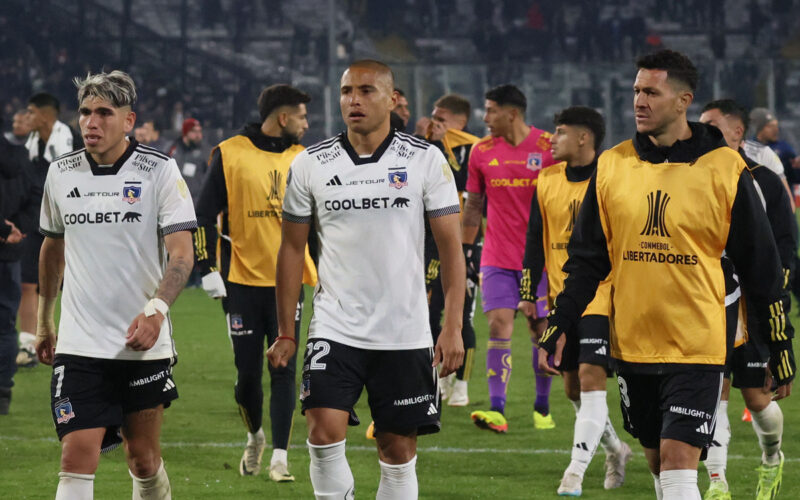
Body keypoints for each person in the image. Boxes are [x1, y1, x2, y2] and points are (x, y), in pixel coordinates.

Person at [538, 50, 794, 500]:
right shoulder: (613, 165)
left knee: (678, 465)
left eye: (651, 92)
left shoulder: (724, 168)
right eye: (637, 91)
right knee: (658, 464)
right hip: (632, 344)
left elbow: (761, 268)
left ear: (683, 101)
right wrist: (559, 323)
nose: (639, 100)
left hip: (697, 344)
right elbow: (586, 261)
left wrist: (780, 342)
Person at [268, 59, 465, 499]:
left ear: (393, 99)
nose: (353, 100)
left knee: (397, 451)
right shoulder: (311, 164)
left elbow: (451, 250)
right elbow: (290, 250)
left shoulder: (425, 160)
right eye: (346, 91)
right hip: (335, 325)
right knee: (322, 434)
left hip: (404, 329)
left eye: (366, 91)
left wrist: (451, 326)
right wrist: (286, 330)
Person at [35, 70, 196, 499]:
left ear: (128, 120)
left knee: (142, 458)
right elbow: (53, 247)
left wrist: (156, 311)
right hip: (79, 344)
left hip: (141, 344)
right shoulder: (61, 174)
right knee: (75, 457)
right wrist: (45, 320)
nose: (91, 122)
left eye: (104, 113)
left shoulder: (159, 172)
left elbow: (182, 254)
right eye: (85, 112)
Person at [194, 84, 318, 482]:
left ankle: (281, 458)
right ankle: (255, 436)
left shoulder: (305, 158)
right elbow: (202, 216)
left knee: (285, 370)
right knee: (247, 374)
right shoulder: (229, 153)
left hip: (289, 283)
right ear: (283, 118)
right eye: (301, 116)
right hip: (241, 284)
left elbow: (319, 225)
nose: (306, 123)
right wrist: (206, 268)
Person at [520, 106, 632, 495]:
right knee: (572, 390)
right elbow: (534, 241)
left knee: (590, 380)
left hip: (603, 293)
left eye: (561, 131)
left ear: (585, 137)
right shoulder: (546, 179)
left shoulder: (613, 177)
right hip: (561, 299)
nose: (552, 138)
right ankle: (616, 449)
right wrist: (528, 295)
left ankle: (575, 473)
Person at [698, 99, 796, 500]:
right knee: (712, 390)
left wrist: (775, 308)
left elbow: (784, 247)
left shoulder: (765, 182)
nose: (703, 134)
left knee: (757, 399)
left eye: (713, 127)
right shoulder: (692, 176)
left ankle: (772, 458)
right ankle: (717, 481)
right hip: (707, 300)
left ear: (738, 133)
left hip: (753, 304)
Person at [463, 84, 556, 434]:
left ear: (512, 113)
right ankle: (497, 409)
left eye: (490, 111)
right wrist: (466, 249)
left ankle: (542, 406)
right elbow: (473, 205)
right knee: (499, 324)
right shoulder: (481, 152)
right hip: (496, 257)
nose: (484, 118)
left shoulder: (549, 148)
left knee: (539, 330)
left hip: (541, 261)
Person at [422, 94, 481, 407]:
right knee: (428, 313)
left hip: (466, 245)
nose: (435, 123)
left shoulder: (477, 150)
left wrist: (442, 144)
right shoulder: (430, 148)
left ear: (459, 122)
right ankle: (438, 376)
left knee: (463, 317)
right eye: (433, 117)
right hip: (433, 242)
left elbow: (463, 182)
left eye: (441, 119)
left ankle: (463, 385)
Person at [17, 92, 83, 367]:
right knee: (28, 283)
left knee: (72, 286)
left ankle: (74, 342)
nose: (26, 117)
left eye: (31, 112)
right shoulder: (30, 144)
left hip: (68, 225)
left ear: (45, 115)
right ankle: (28, 344)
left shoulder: (72, 141)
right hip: (34, 222)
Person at [0, 130, 41, 414]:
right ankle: (3, 392)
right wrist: (16, 230)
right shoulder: (24, 161)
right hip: (10, 256)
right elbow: (36, 197)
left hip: (8, 250)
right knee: (5, 327)